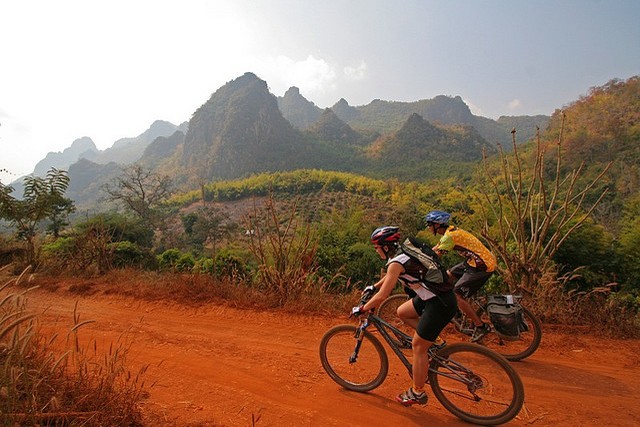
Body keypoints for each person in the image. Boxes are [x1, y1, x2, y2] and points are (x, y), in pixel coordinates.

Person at [352, 226, 457, 406]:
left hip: (440, 303)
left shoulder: (396, 263)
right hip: (433, 297)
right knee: (403, 312)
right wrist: (374, 286)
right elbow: (392, 275)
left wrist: (362, 309)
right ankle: (437, 344)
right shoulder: (402, 253)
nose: (375, 250)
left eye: (376, 247)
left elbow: (383, 295)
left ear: (385, 247)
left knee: (418, 346)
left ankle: (417, 392)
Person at [424, 210, 498, 342]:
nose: (428, 228)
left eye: (429, 225)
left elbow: (435, 257)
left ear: (437, 225)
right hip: (474, 262)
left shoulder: (449, 237)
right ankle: (456, 311)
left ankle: (480, 326)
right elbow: (435, 248)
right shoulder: (450, 231)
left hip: (482, 266)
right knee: (448, 275)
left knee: (457, 295)